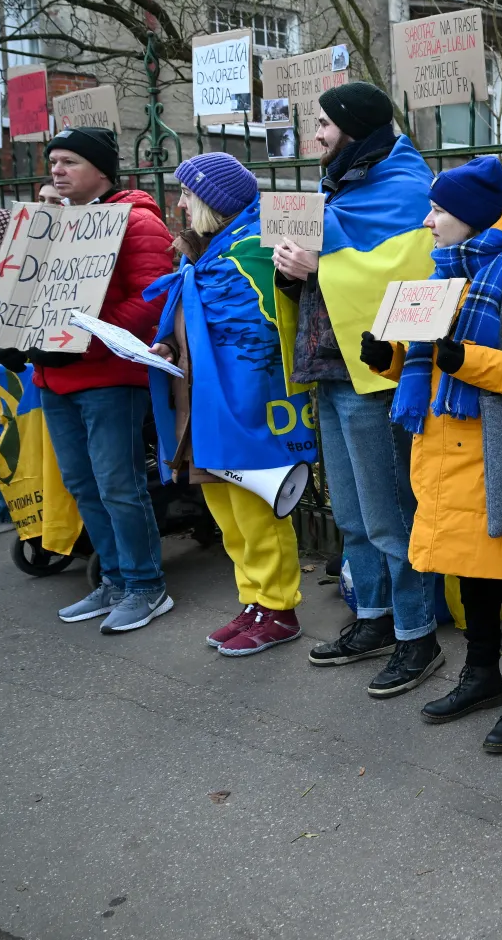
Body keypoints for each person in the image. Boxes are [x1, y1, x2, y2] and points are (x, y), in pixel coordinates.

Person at [358, 156, 502, 753]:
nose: (427, 222)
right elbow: (427, 358)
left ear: (469, 217)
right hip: (447, 454)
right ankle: (480, 677)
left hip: (498, 462)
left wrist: (463, 360)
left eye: (438, 211)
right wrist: (389, 358)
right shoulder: (440, 278)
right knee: (471, 576)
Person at [271, 82, 443, 697]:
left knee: (391, 512)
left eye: (322, 124)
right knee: (351, 512)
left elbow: (414, 270)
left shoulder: (408, 187)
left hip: (373, 375)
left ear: (353, 126)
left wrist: (323, 265)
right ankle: (372, 618)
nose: (314, 135)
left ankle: (417, 635)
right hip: (327, 366)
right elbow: (311, 275)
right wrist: (292, 272)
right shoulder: (337, 186)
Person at [0, 127, 173, 632]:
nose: (56, 170)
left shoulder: (137, 223)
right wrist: (15, 334)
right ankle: (115, 579)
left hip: (109, 376)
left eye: (69, 161)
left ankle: (145, 585)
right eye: (53, 162)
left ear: (101, 171)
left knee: (119, 484)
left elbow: (152, 300)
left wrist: (77, 338)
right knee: (83, 484)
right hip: (55, 379)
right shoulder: (54, 224)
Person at [145, 153, 317, 656]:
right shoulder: (205, 252)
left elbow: (269, 326)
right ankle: (254, 602)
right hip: (205, 403)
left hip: (249, 404)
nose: (179, 203)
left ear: (213, 201)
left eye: (187, 193)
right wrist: (170, 347)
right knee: (226, 513)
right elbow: (196, 322)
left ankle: (280, 608)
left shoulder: (258, 247)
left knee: (258, 512)